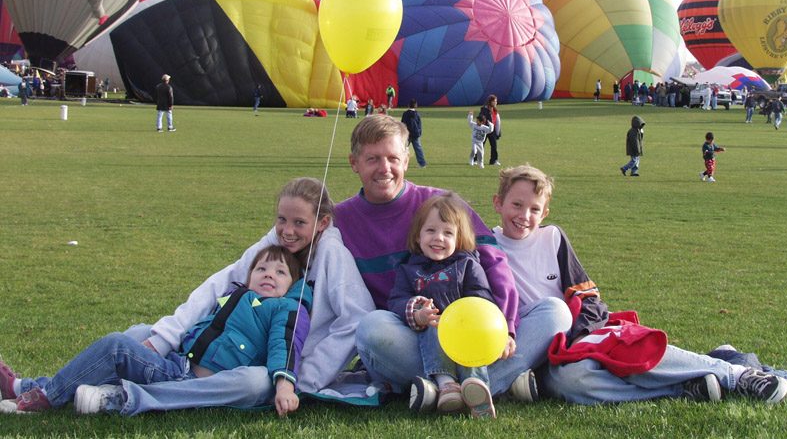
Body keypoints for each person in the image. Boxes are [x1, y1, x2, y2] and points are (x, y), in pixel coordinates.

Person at [44, 177, 376, 415]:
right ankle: (40, 388)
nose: (287, 231)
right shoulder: (274, 244)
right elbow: (220, 285)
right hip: (215, 349)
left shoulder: (332, 255)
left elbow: (355, 319)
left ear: (322, 223)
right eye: (281, 220)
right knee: (139, 334)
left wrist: (303, 379)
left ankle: (126, 397)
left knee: (253, 384)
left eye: (299, 223)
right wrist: (166, 336)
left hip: (272, 366)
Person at [490, 164, 787, 406]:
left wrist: (582, 335)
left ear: (545, 214)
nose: (524, 216)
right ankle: (683, 388)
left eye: (533, 209)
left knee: (624, 351)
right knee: (573, 382)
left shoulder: (552, 238)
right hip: (538, 352)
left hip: (576, 334)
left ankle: (735, 373)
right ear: (498, 203)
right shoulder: (486, 247)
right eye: (516, 205)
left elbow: (588, 296)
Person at [337, 115, 571, 409]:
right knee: (371, 329)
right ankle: (485, 385)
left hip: (475, 331)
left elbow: (495, 265)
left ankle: (447, 389)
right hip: (415, 335)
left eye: (393, 158)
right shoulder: (339, 219)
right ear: (354, 162)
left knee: (555, 312)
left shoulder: (445, 205)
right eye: (373, 158)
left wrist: (507, 327)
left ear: (407, 160)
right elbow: (284, 238)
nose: (385, 168)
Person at [0, 245, 311, 416]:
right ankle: (26, 386)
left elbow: (282, 346)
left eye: (280, 272)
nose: (270, 274)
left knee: (117, 346)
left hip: (196, 379)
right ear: (249, 275)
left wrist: (284, 385)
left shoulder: (283, 308)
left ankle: (46, 396)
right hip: (178, 365)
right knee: (137, 332)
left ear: (291, 285)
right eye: (262, 269)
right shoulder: (234, 294)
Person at [388, 192, 501, 418]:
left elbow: (482, 296)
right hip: (430, 333)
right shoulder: (409, 270)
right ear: (418, 236)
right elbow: (396, 300)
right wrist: (417, 312)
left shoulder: (468, 265)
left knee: (472, 341)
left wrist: (471, 314)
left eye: (447, 233)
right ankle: (446, 384)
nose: (438, 238)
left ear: (459, 239)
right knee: (433, 325)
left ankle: (476, 388)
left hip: (465, 332)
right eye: (431, 231)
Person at [400, 99, 427, 168]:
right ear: (415, 106)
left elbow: (402, 123)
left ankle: (401, 163)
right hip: (415, 134)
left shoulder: (405, 114)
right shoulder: (417, 114)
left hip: (407, 134)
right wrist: (419, 132)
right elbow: (419, 124)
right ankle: (422, 163)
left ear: (408, 105)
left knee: (403, 149)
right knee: (418, 149)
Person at [479, 94, 501, 165]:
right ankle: (476, 159)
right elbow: (480, 119)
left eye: (496, 101)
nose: (496, 103)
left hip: (492, 130)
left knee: (494, 146)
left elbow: (497, 122)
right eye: (494, 101)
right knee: (480, 145)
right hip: (484, 130)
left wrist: (498, 132)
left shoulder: (495, 110)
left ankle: (494, 160)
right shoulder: (484, 109)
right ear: (490, 102)